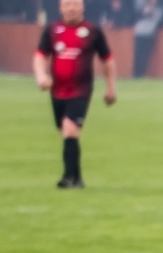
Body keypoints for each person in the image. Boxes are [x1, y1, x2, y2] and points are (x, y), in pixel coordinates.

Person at [33, 0, 116, 189]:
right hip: (57, 91)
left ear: (82, 7)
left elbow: (108, 59)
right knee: (67, 134)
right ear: (60, 8)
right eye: (67, 4)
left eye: (75, 4)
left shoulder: (93, 31)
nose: (71, 8)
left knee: (70, 129)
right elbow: (40, 55)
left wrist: (111, 87)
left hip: (81, 90)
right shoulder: (52, 30)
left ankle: (68, 177)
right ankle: (78, 179)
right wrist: (41, 76)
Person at [131, 0, 163, 78]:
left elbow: (157, 19)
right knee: (138, 55)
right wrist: (144, 11)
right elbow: (137, 16)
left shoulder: (159, 9)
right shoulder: (141, 6)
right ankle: (136, 75)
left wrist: (150, 11)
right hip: (140, 33)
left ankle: (141, 74)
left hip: (150, 34)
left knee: (145, 56)